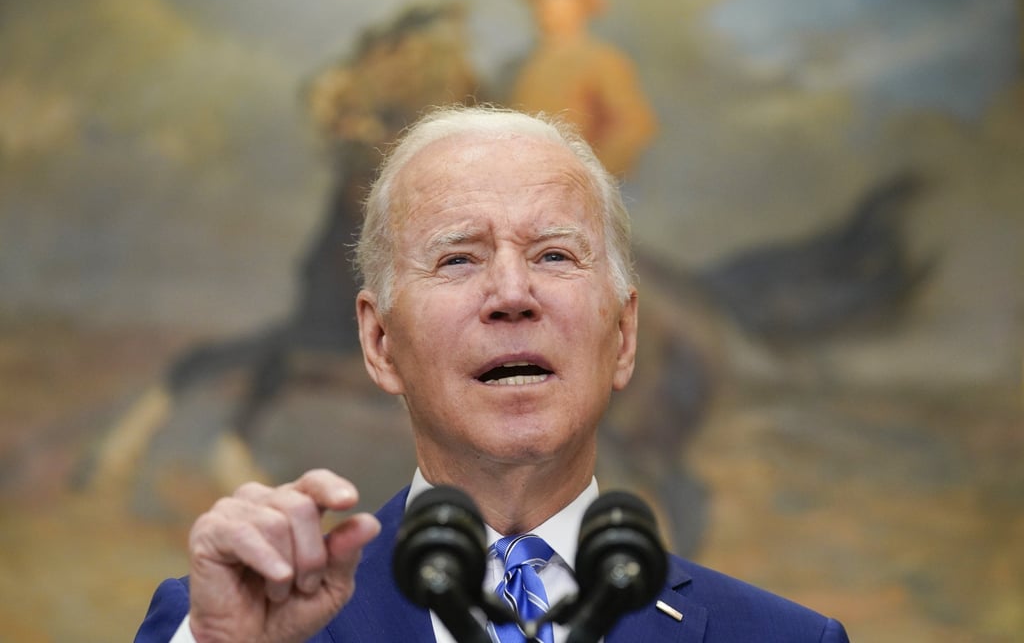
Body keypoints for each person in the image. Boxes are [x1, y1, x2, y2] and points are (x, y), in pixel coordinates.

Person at [134, 105, 850, 642]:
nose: (512, 295)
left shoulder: (788, 640)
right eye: (458, 258)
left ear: (624, 335)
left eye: (554, 256)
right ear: (380, 342)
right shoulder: (229, 624)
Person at [509, 0, 658, 178]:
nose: (546, 5)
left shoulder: (602, 61)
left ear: (582, 4)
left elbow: (634, 126)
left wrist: (589, 177)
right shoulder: (518, 66)